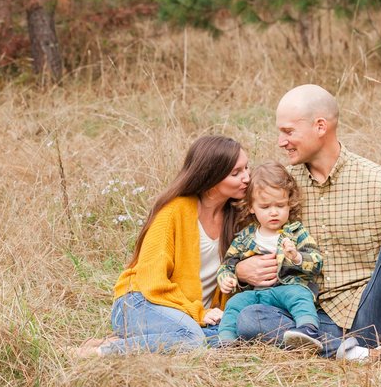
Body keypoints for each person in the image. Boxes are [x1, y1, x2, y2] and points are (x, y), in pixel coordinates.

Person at [233, 85, 381, 366]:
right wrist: (241, 270)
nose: (280, 142)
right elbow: (248, 236)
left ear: (320, 126)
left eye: (288, 132)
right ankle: (362, 355)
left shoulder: (378, 181)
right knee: (249, 319)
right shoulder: (282, 186)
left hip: (372, 313)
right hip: (309, 319)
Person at [74, 135, 250, 357]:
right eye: (236, 173)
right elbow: (151, 281)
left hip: (188, 315)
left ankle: (132, 340)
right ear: (211, 177)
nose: (246, 178)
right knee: (192, 340)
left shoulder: (237, 217)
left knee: (229, 339)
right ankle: (98, 353)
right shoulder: (173, 211)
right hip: (141, 301)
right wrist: (197, 312)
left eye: (246, 168)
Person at [216, 163, 324, 351]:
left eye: (280, 205)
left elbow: (316, 261)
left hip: (287, 288)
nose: (273, 212)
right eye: (265, 207)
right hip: (256, 294)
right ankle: (226, 340)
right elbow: (228, 263)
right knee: (234, 303)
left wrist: (297, 257)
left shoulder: (296, 232)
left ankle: (307, 330)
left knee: (300, 295)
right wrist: (226, 277)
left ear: (289, 203)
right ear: (251, 207)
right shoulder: (245, 236)